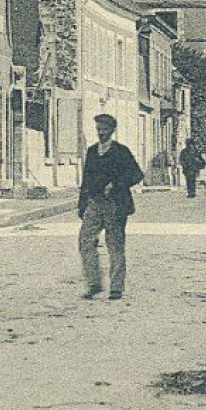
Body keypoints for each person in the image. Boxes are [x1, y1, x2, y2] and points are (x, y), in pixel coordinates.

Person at [78, 113, 144, 300]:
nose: (101, 133)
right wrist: (82, 205)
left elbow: (137, 174)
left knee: (115, 245)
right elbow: (86, 179)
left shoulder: (121, 151)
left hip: (115, 204)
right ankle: (94, 283)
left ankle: (116, 287)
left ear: (112, 130)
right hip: (94, 203)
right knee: (85, 240)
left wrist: (115, 184)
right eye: (98, 129)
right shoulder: (92, 152)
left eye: (105, 130)